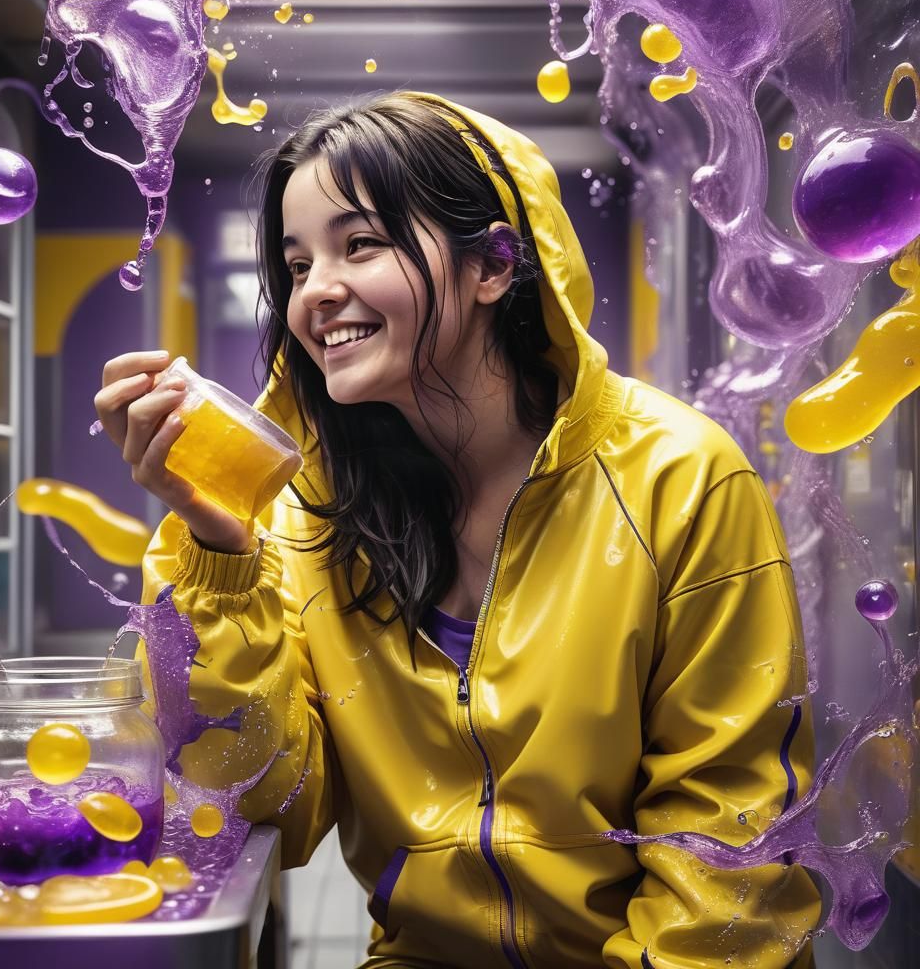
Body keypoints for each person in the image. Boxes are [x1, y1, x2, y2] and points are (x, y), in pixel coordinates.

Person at [94, 92, 819, 968]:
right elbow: (259, 809)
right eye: (295, 264)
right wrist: (218, 550)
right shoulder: (301, 517)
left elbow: (727, 847)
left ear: (495, 265)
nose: (315, 292)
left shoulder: (681, 478)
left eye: (359, 245)